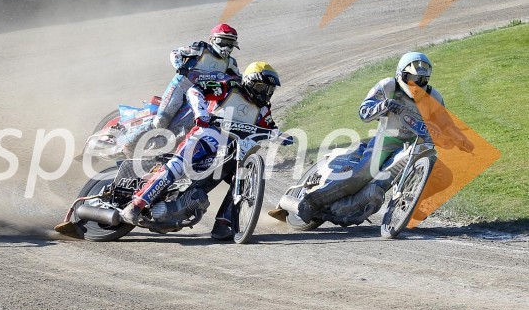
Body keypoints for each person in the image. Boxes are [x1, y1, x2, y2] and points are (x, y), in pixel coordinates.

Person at [294, 52, 472, 223]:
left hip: (416, 144)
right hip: (386, 140)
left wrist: (461, 139)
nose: (416, 84)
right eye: (412, 79)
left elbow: (446, 124)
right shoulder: (388, 86)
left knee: (444, 177)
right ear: (400, 74)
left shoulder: (434, 97)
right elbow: (363, 112)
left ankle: (410, 205)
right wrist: (384, 106)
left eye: (422, 80)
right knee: (361, 175)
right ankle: (311, 202)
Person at [120, 62, 290, 240]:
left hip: (234, 149)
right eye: (262, 86)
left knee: (243, 179)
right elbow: (195, 90)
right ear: (249, 81)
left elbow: (270, 127)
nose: (265, 92)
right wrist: (201, 113)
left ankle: (224, 223)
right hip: (207, 135)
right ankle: (136, 205)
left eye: (269, 89)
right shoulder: (230, 86)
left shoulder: (263, 108)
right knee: (178, 166)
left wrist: (282, 136)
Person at [122, 23, 242, 157]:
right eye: (222, 41)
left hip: (203, 96)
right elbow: (175, 52)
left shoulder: (230, 63)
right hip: (181, 88)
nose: (226, 46)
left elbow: (238, 79)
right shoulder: (200, 49)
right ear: (213, 39)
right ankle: (129, 143)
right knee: (160, 121)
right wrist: (180, 66)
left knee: (188, 130)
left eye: (230, 43)